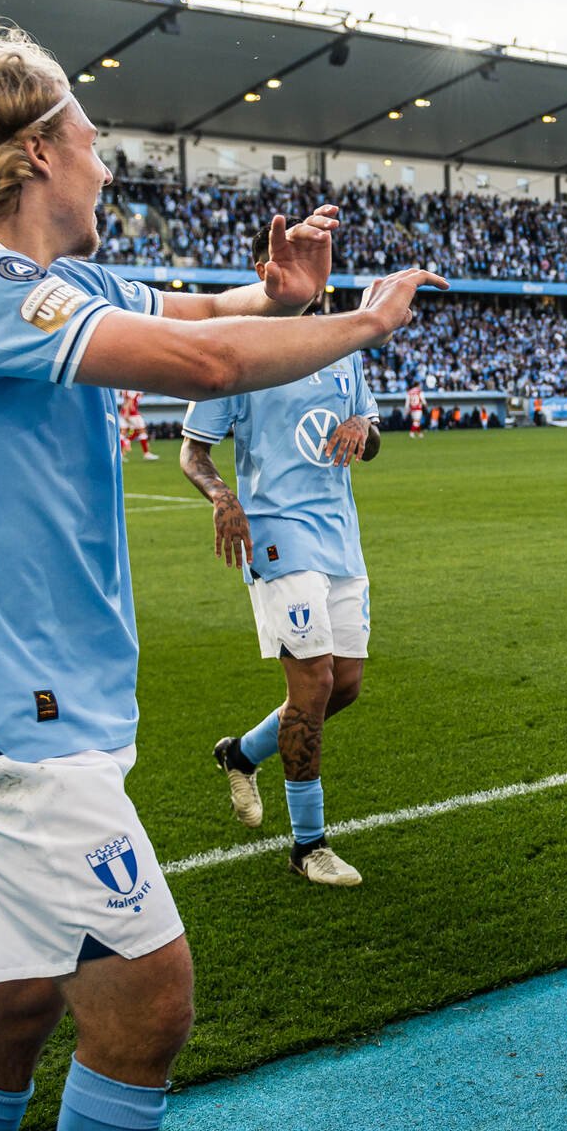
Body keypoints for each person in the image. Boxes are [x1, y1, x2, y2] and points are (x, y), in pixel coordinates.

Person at [0, 24, 442, 1131]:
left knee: (11, 1005)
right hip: (4, 716)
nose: (106, 160)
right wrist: (366, 320)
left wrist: (278, 296)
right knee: (150, 999)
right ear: (36, 151)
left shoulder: (49, 283)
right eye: (91, 137)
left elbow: (203, 314)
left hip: (18, 705)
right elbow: (206, 366)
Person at [187, 223, 385, 887]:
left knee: (345, 685)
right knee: (314, 683)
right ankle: (309, 845)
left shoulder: (341, 343)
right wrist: (222, 495)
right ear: (263, 272)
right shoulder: (238, 346)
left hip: (339, 536)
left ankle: (240, 754)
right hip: (275, 532)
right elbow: (193, 451)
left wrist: (363, 426)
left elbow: (372, 438)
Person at [119, 389, 156, 461]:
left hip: (125, 413)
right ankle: (146, 453)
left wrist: (124, 412)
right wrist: (127, 412)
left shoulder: (125, 388)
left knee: (125, 432)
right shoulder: (133, 388)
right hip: (132, 414)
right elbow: (130, 401)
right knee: (141, 431)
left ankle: (120, 454)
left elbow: (126, 401)